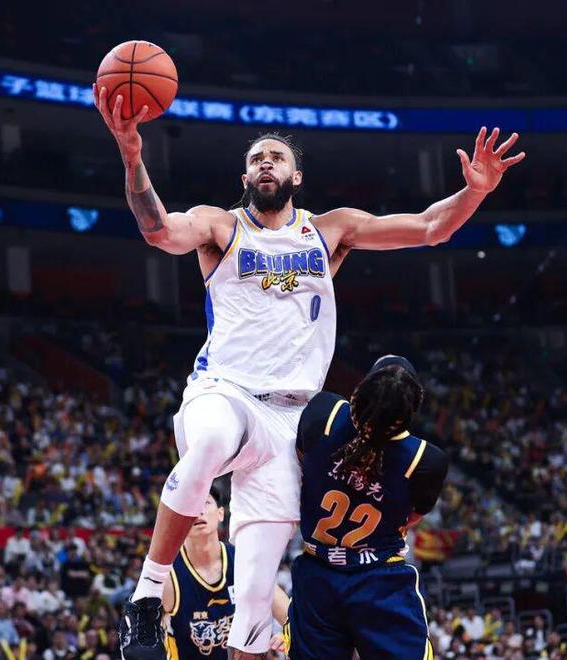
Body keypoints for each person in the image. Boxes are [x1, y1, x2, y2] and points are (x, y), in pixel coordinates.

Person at [93, 82, 524, 660]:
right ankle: (147, 597)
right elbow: (159, 230)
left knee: (252, 608)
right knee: (211, 441)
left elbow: (430, 228)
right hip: (226, 390)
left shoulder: (330, 230)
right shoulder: (221, 226)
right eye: (255, 158)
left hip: (294, 422)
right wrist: (131, 156)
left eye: (276, 157)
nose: (265, 163)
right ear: (245, 176)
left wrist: (474, 192)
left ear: (296, 176)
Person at [287, 355, 448, 659]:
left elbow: (301, 463)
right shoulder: (425, 460)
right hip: (379, 578)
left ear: (363, 387)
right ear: (412, 408)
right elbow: (411, 517)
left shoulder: (325, 412)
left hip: (318, 572)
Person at [163, 488, 288, 658]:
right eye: (191, 505)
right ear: (179, 518)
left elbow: (290, 617)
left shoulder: (244, 561)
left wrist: (287, 635)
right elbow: (142, 640)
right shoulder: (168, 575)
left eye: (205, 503)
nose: (198, 511)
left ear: (220, 514)